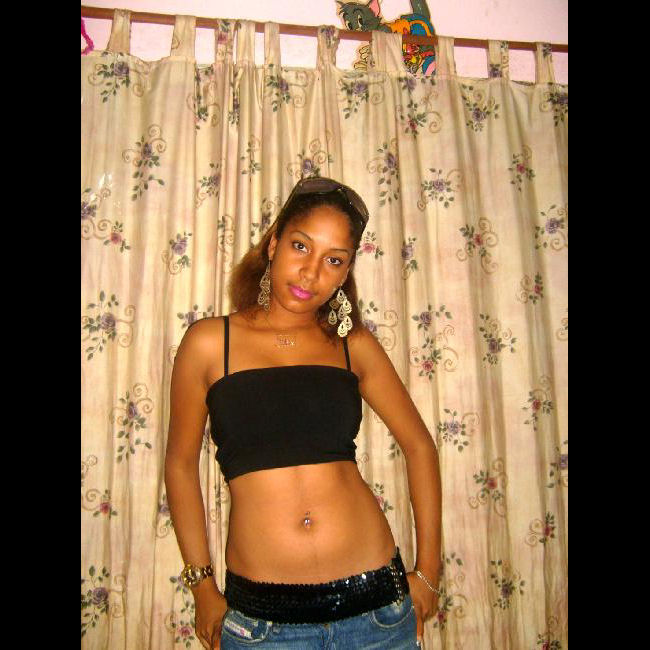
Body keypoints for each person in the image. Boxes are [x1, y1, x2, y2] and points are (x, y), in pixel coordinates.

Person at [165, 177, 442, 649]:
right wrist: (202, 587)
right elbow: (179, 464)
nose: (311, 273)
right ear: (273, 244)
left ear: (346, 272)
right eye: (300, 246)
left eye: (334, 260)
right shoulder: (210, 342)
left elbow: (419, 446)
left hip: (376, 610)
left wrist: (428, 571)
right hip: (264, 623)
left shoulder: (353, 344)